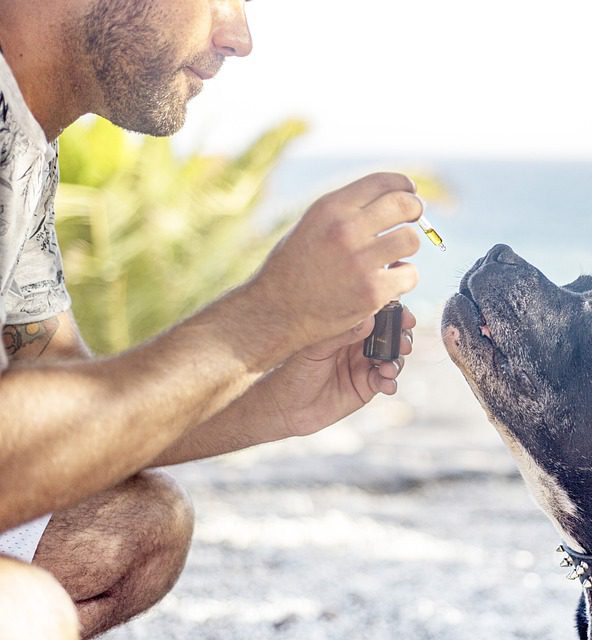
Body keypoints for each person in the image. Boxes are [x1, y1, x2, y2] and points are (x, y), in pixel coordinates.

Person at [0, 1, 424, 638]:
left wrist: (272, 403)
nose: (239, 37)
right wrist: (272, 313)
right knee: (25, 608)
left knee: (138, 530)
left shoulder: (25, 142)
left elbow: (53, 396)